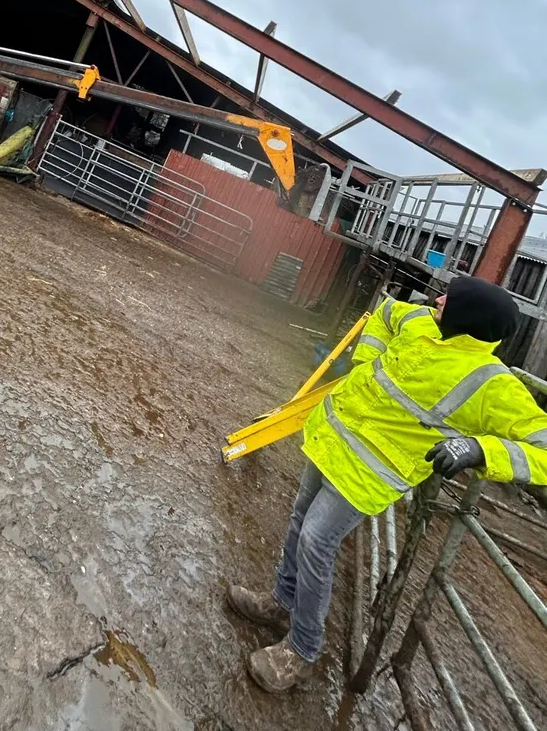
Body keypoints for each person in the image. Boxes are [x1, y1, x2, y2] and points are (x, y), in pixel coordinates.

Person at [227, 275, 547, 695]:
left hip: (367, 474)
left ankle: (302, 652)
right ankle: (279, 603)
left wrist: (480, 450)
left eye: (449, 298)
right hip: (332, 438)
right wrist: (366, 361)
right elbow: (385, 312)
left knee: (315, 542)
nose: (437, 298)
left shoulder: (492, 384)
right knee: (299, 520)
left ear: (470, 317)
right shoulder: (421, 321)